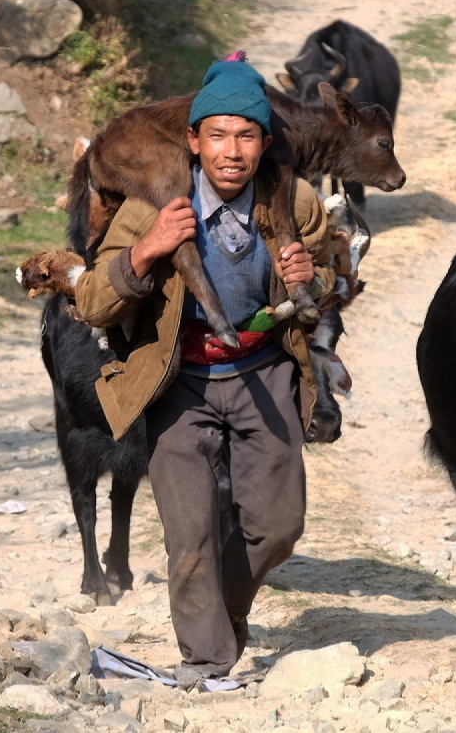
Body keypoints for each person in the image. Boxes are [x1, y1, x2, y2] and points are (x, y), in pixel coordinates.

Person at [73, 56, 335, 681]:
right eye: (216, 134)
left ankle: (226, 614)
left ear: (265, 143)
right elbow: (90, 301)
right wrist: (146, 250)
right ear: (193, 140)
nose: (231, 151)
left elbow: (326, 284)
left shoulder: (296, 202)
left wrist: (312, 280)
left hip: (264, 373)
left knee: (279, 526)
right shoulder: (149, 207)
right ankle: (208, 660)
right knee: (188, 541)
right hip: (178, 384)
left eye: (247, 135)